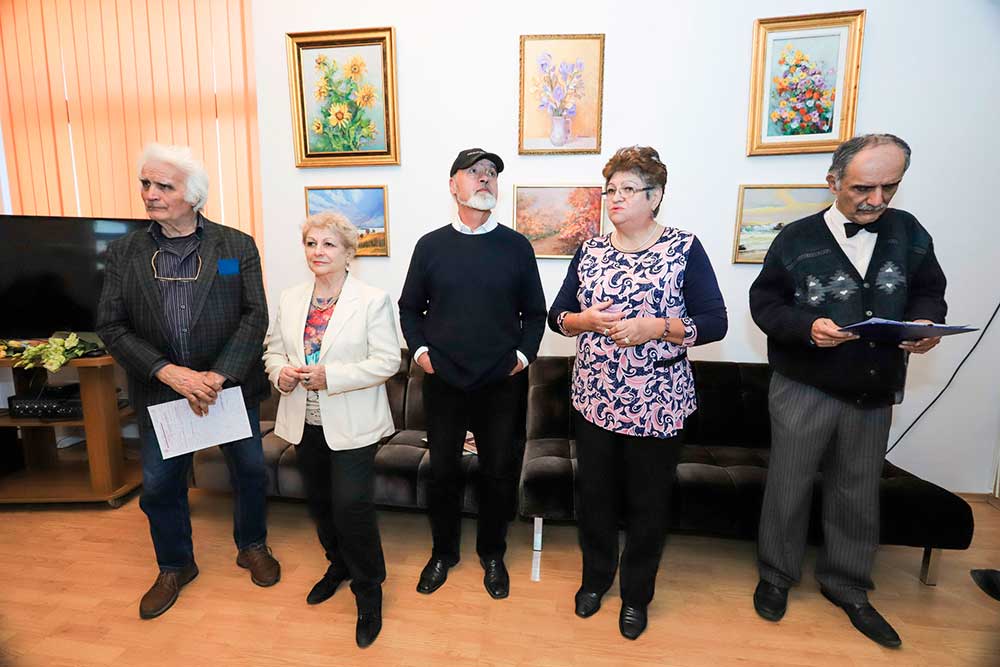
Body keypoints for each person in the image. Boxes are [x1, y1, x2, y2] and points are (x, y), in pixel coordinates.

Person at [749, 134, 948, 648]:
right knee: (789, 484)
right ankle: (776, 576)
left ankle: (848, 585)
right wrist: (807, 327)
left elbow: (929, 289)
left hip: (873, 386)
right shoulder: (795, 238)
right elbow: (765, 305)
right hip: (804, 385)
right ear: (833, 182)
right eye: (863, 188)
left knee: (858, 490)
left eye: (889, 187)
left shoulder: (910, 232)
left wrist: (927, 321)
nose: (876, 200)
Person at [548, 145, 728, 640]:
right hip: (595, 398)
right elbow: (557, 316)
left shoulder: (683, 248)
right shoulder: (590, 251)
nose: (616, 198)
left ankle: (636, 595)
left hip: (658, 402)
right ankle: (595, 580)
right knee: (595, 498)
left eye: (629, 189)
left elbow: (715, 322)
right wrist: (584, 320)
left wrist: (657, 327)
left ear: (656, 196)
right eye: (611, 189)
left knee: (648, 504)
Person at [96, 143, 279, 620]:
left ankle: (252, 545)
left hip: (227, 387)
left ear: (193, 196)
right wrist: (168, 372)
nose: (149, 194)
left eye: (163, 186)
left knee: (250, 472)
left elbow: (254, 315)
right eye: (145, 183)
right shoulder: (124, 252)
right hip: (162, 389)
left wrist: (216, 376)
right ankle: (175, 565)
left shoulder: (235, 247)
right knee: (160, 486)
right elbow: (111, 326)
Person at [398, 148, 547, 600]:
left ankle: (492, 554)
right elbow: (409, 308)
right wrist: (421, 353)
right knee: (443, 472)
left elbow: (535, 313)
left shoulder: (516, 247)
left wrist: (521, 358)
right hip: (444, 382)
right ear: (453, 185)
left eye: (491, 173)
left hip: (500, 383)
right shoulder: (430, 246)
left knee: (498, 472)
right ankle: (443, 553)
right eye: (474, 172)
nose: (485, 178)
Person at [263, 211, 400, 648]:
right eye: (311, 243)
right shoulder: (290, 298)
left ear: (348, 253)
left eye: (328, 244)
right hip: (303, 423)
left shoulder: (372, 299)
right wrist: (280, 373)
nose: (318, 252)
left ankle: (369, 590)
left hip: (354, 424)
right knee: (320, 504)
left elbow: (387, 361)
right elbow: (273, 351)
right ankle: (337, 565)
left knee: (351, 507)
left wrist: (332, 377)